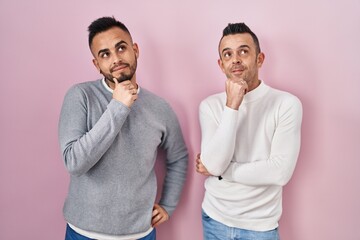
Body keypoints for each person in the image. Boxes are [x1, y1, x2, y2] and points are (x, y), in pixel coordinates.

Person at [58, 16, 188, 240]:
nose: (116, 58)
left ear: (135, 50)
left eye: (121, 48)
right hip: (84, 233)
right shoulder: (80, 96)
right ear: (96, 64)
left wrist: (168, 204)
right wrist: (118, 106)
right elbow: (74, 162)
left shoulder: (159, 107)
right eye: (105, 54)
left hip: (140, 233)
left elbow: (179, 157)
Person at [195, 22, 302, 239]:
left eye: (243, 51)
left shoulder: (286, 104)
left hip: (260, 226)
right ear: (221, 64)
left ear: (259, 59)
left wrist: (223, 172)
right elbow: (213, 164)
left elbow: (280, 172)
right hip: (215, 217)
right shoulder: (210, 106)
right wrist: (232, 105)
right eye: (228, 54)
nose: (235, 59)